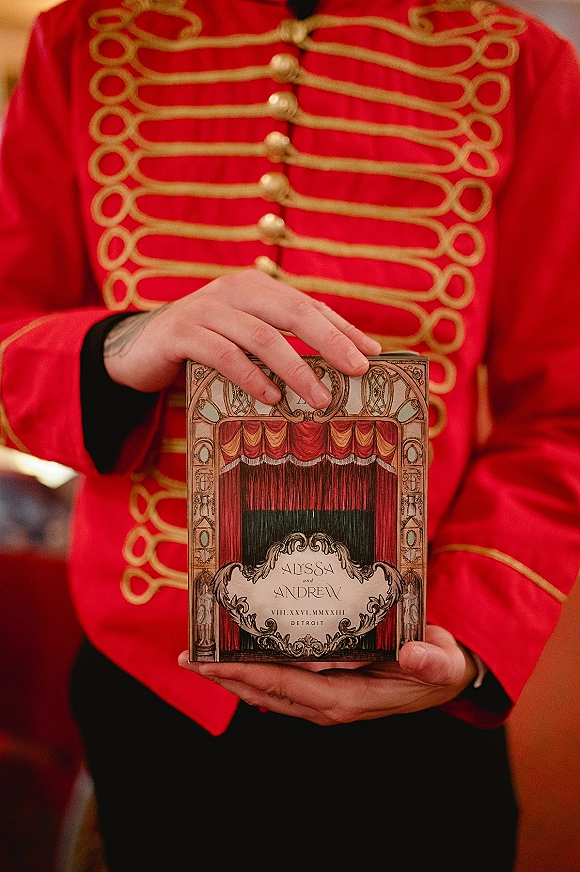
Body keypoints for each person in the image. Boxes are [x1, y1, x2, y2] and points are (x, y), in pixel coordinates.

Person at [1, 0, 579, 868]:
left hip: (417, 699)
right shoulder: (82, 39)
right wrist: (120, 342)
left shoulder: (524, 65)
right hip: (153, 695)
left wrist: (466, 640)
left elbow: (564, 411)